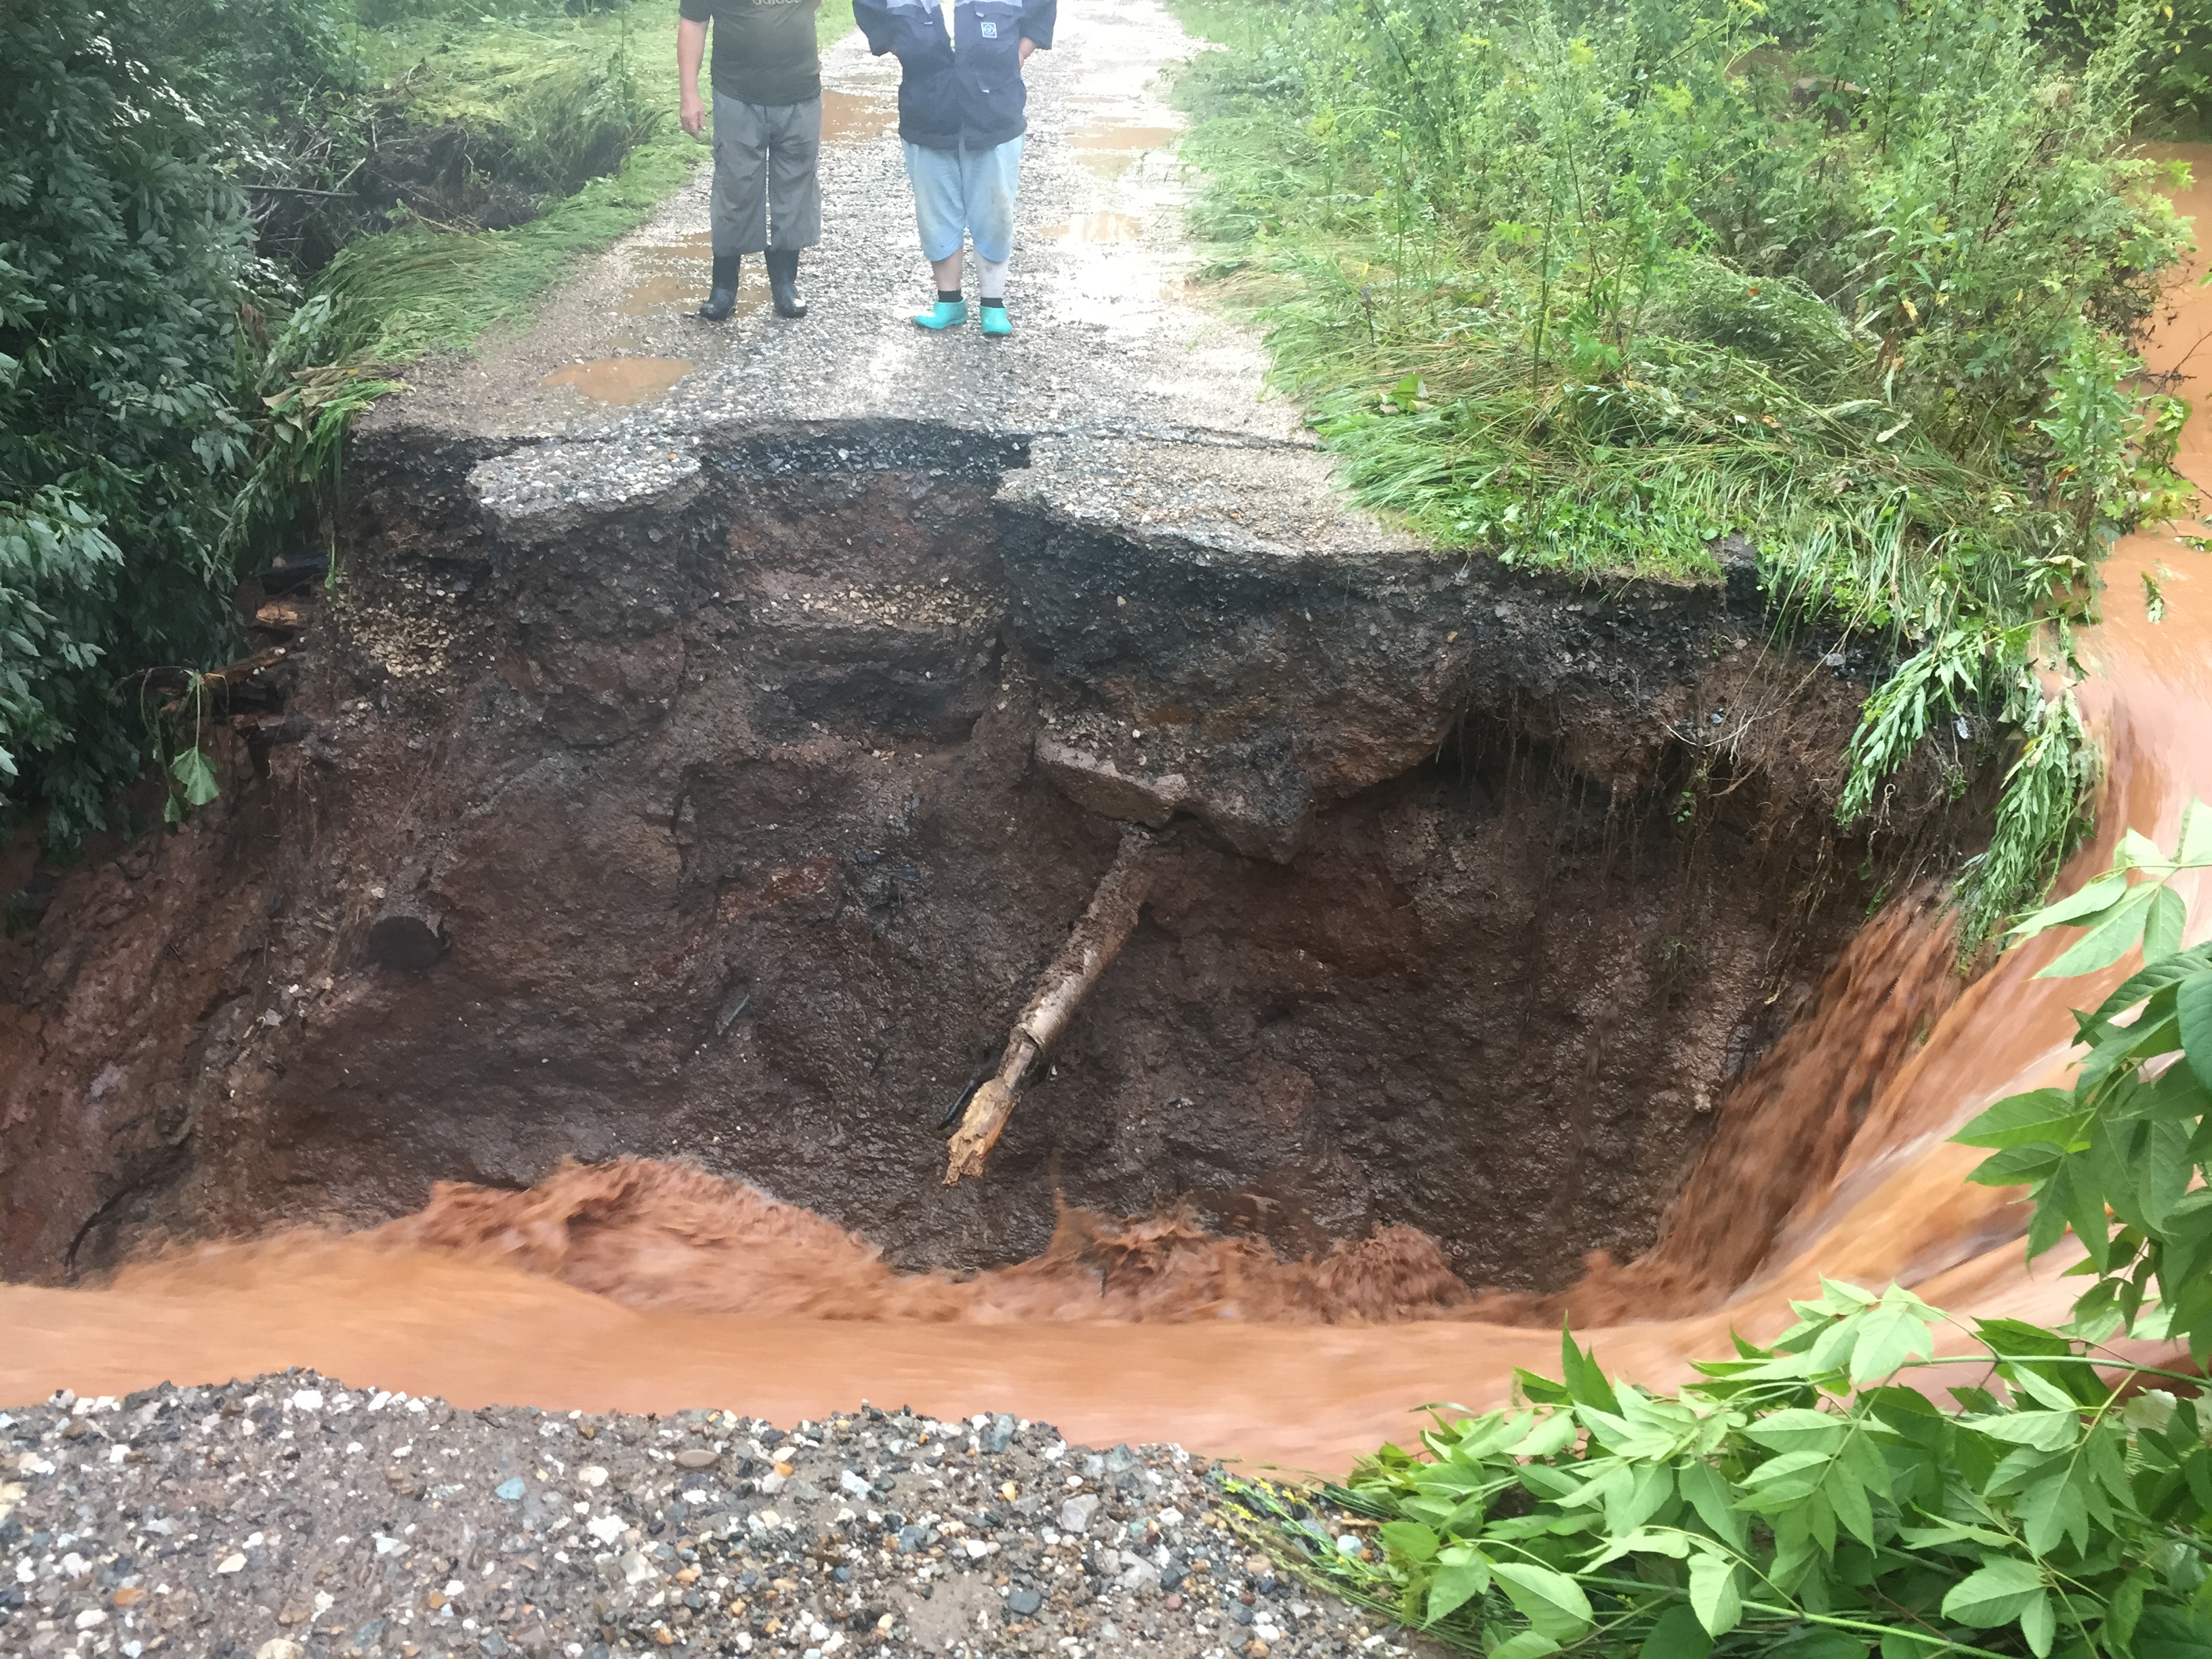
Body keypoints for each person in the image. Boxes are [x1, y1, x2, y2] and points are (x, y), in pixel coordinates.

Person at [853, 0, 1057, 338]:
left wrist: (1018, 54)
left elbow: (1041, 12)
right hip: (927, 114)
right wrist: (904, 48)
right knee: (936, 211)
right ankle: (949, 302)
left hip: (995, 114)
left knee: (995, 211)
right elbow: (869, 11)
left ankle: (993, 304)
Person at [677, 0, 824, 321]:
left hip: (801, 90)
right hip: (736, 94)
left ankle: (786, 284)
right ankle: (724, 288)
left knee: (797, 186)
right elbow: (693, 22)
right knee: (736, 187)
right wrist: (689, 93)